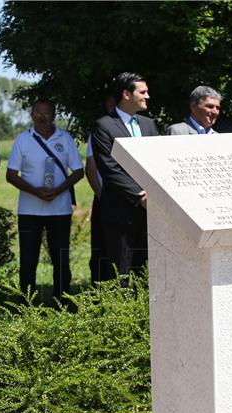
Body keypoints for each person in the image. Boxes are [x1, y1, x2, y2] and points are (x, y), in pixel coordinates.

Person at [6, 99, 84, 301]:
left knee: (61, 261)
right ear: (32, 115)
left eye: (46, 112)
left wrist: (58, 190)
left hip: (60, 210)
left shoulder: (65, 138)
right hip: (29, 211)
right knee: (28, 261)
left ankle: (63, 302)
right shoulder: (23, 139)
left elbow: (78, 171)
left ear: (54, 115)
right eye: (38, 112)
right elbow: (11, 174)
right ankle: (27, 305)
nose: (42, 116)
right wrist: (35, 191)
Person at [91, 72, 159, 282]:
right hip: (120, 213)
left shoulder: (149, 124)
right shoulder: (104, 126)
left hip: (150, 211)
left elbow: (157, 161)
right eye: (143, 92)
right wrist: (139, 196)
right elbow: (110, 169)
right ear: (126, 94)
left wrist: (154, 195)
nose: (147, 96)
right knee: (121, 273)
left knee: (146, 272)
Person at [85, 96, 115, 284]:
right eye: (109, 103)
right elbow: (90, 168)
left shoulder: (139, 128)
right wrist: (102, 196)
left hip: (132, 200)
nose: (112, 107)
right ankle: (99, 293)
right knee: (100, 249)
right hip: (104, 198)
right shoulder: (99, 131)